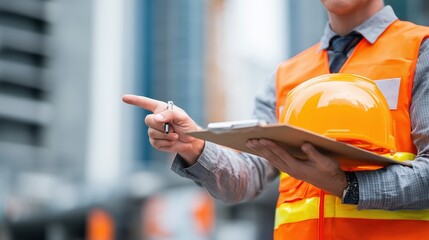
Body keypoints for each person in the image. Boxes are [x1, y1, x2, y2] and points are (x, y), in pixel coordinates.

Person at [123, 0, 429, 239]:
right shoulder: (287, 75)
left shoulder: (419, 49)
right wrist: (193, 144)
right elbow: (247, 178)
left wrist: (344, 184)